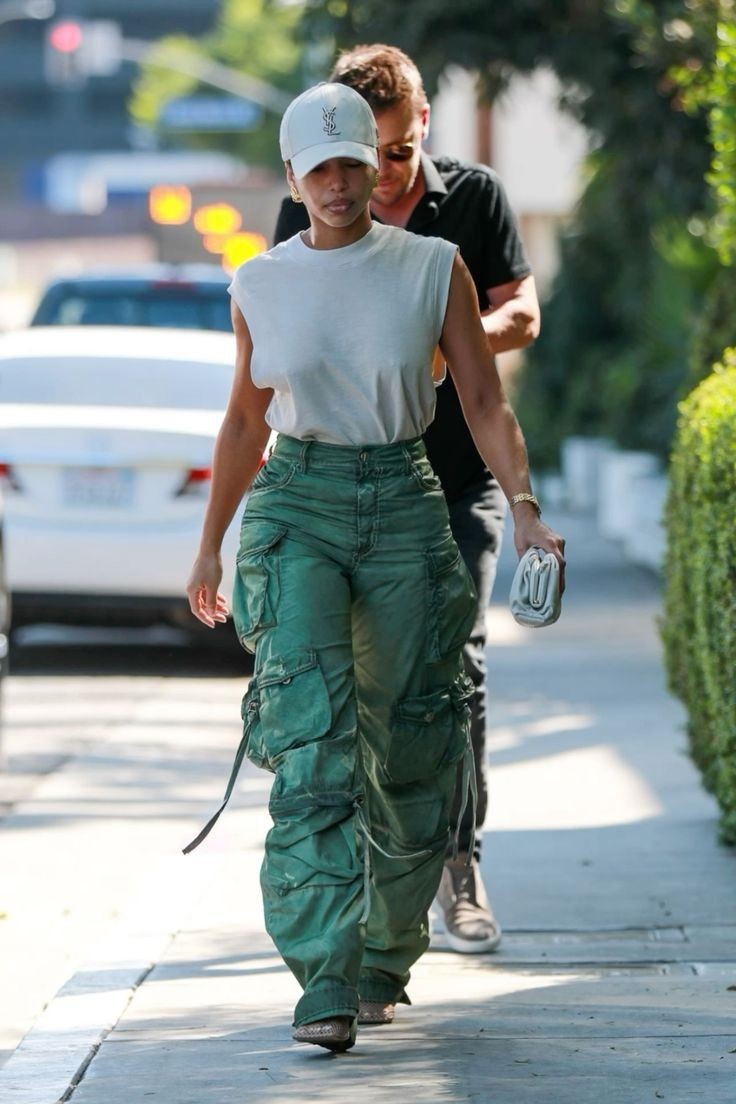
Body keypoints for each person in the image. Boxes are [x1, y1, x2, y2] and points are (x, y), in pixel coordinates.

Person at [185, 81, 564, 1053]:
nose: (340, 183)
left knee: (409, 747)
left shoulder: (433, 267)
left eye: (354, 163)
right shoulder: (260, 282)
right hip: (298, 504)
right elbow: (241, 422)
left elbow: (482, 400)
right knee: (312, 745)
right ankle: (321, 976)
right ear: (293, 178)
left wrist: (524, 509)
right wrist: (208, 546)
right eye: (320, 169)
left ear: (378, 164)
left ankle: (383, 958)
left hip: (403, 502)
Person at [273, 44, 540, 957]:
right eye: (349, 156)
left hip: (454, 479)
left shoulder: (471, 202)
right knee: (349, 686)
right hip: (340, 488)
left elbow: (523, 314)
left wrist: (445, 338)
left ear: (420, 129)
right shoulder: (311, 197)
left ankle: (457, 867)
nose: (369, 179)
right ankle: (367, 877)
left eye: (389, 155)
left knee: (452, 660)